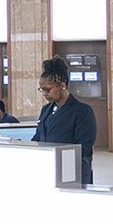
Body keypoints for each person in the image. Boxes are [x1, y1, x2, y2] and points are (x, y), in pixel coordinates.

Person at [34, 56, 98, 184]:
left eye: (48, 89)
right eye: (42, 90)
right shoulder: (46, 109)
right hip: (49, 169)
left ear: (62, 85)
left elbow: (84, 149)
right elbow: (38, 137)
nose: (44, 94)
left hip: (72, 172)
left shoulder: (82, 111)